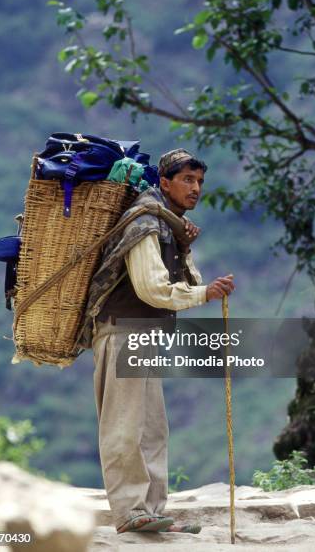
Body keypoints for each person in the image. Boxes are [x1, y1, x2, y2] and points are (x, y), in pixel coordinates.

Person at [79, 148, 234, 534]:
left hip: (144, 335)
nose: (195, 188)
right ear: (164, 183)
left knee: (152, 428)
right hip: (122, 331)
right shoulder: (144, 224)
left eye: (199, 181)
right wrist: (204, 295)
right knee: (124, 425)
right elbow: (152, 289)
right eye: (186, 180)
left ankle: (151, 510)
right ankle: (130, 510)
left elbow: (188, 279)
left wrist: (184, 245)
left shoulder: (168, 225)